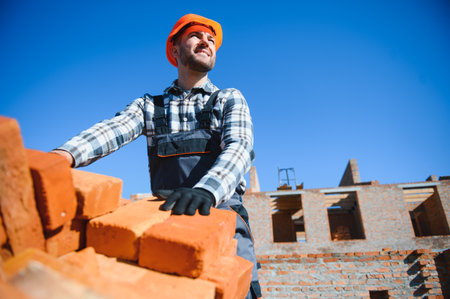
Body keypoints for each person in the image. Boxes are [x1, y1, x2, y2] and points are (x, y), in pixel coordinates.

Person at [52, 13, 261, 298]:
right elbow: (113, 129)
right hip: (166, 225)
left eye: (211, 40)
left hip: (222, 218)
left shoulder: (228, 98)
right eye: (197, 36)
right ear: (175, 50)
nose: (206, 42)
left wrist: (207, 192)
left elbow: (239, 148)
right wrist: (61, 157)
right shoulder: (150, 106)